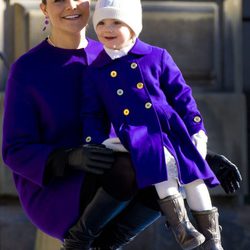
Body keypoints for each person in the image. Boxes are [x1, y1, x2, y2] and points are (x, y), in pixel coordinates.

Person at [1, 0, 242, 250]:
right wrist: (70, 157)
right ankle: (79, 242)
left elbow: (144, 122)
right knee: (132, 167)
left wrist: (199, 154)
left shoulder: (114, 51)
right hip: (58, 187)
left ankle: (108, 245)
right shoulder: (27, 69)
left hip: (115, 175)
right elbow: (14, 151)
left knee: (165, 170)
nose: (71, 6)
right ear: (44, 9)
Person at [80, 0, 238, 249]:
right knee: (161, 168)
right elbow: (92, 113)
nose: (107, 28)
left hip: (171, 129)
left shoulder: (156, 56)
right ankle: (181, 228)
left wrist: (197, 129)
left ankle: (212, 240)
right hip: (137, 135)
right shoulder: (96, 70)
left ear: (133, 27)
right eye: (101, 22)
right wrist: (96, 140)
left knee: (194, 179)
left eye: (116, 22)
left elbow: (182, 96)